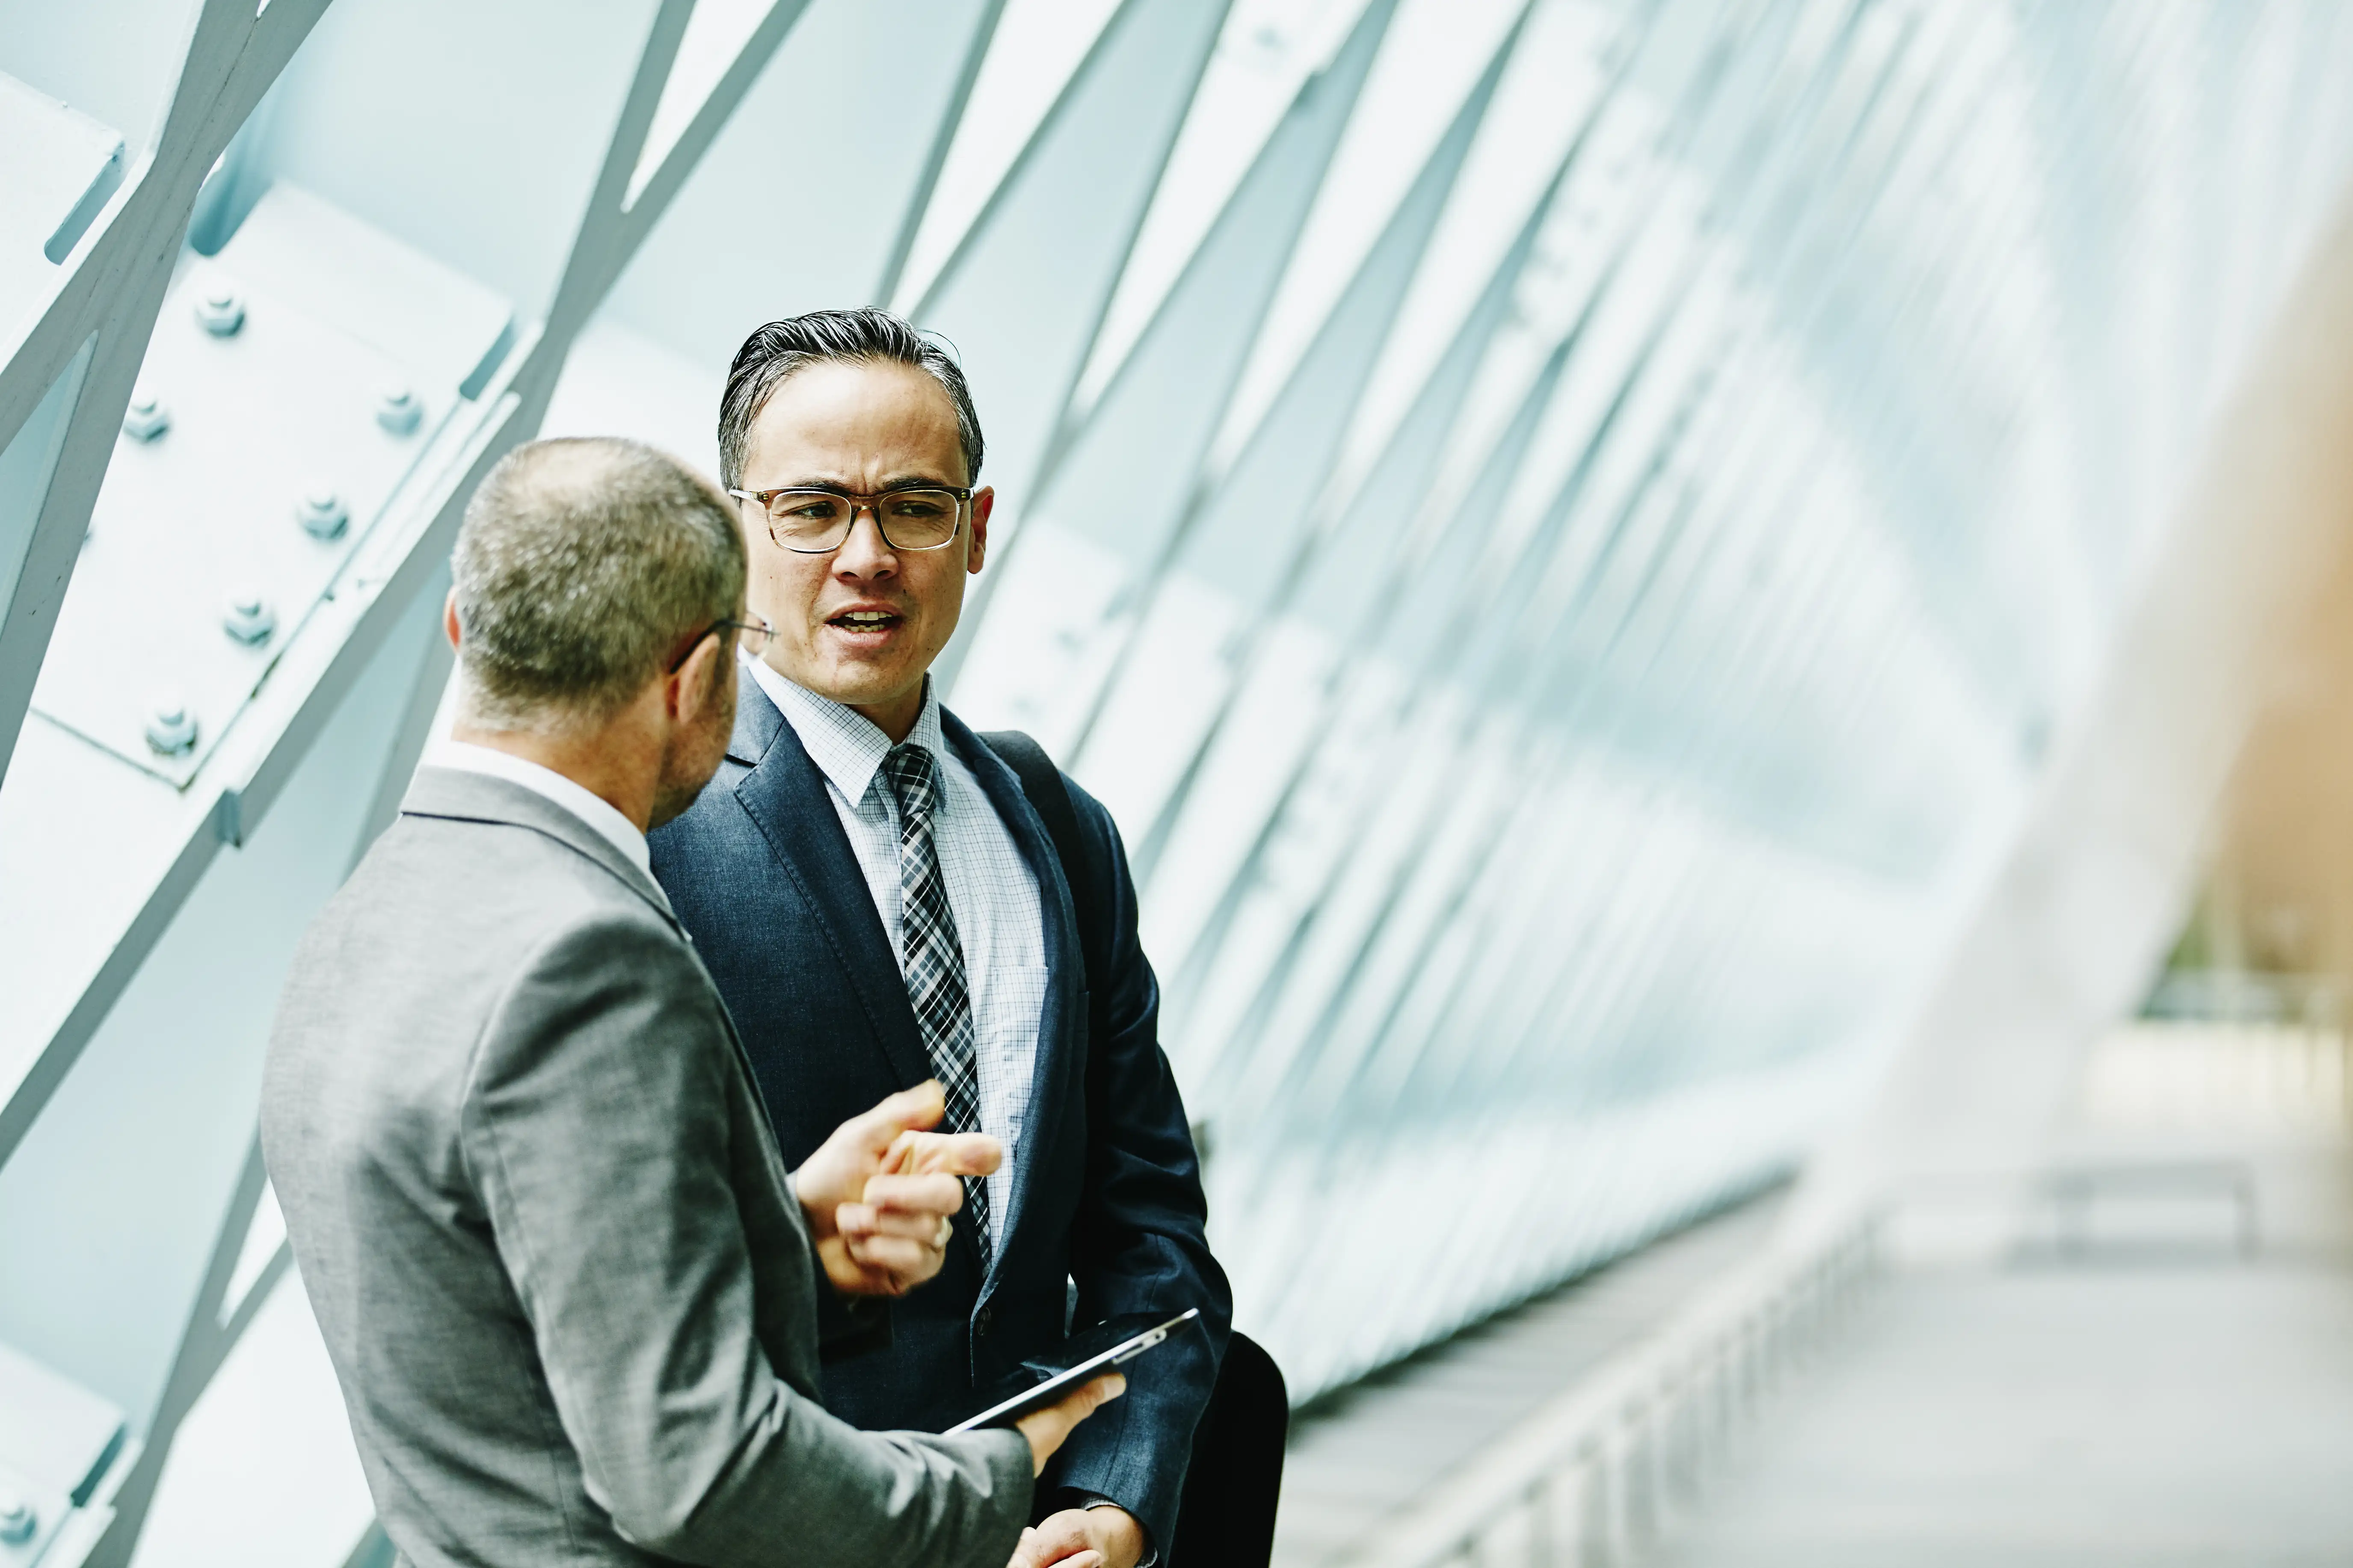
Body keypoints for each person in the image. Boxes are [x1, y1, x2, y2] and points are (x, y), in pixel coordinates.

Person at [261, 437, 1122, 1568]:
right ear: (698, 678)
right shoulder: (587, 958)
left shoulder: (370, 914)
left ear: (462, 629)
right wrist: (990, 1488)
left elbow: (524, 1331)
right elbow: (695, 1473)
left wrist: (785, 1231)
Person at [647, 310, 1234, 1568]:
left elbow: (1149, 1227)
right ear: (732, 528)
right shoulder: (648, 821)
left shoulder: (1057, 829)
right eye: (811, 509)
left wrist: (1115, 1500)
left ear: (974, 532)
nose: (866, 557)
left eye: (912, 508)